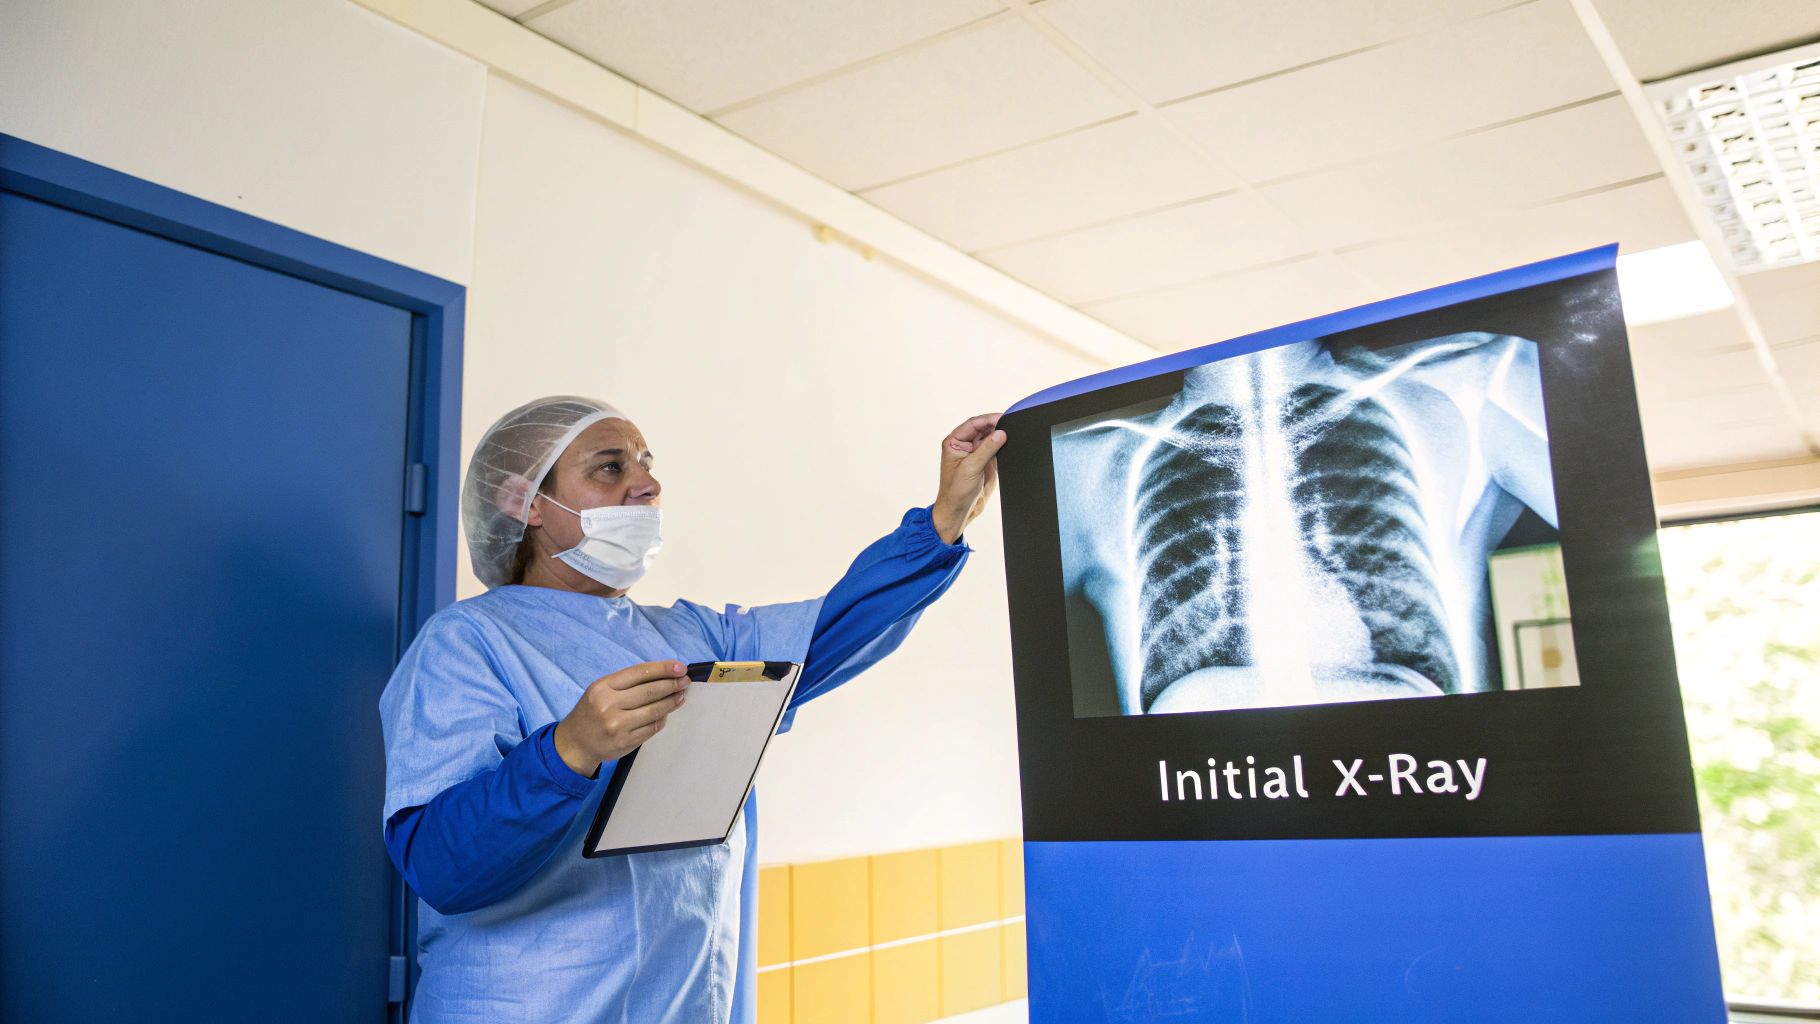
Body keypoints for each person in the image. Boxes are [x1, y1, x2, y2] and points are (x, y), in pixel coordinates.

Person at [379, 395, 1006, 1022]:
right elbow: (440, 866)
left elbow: (834, 626)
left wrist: (946, 517)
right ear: (526, 503)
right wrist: (569, 751)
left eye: (646, 466)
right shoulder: (466, 643)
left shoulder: (692, 640)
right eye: (610, 467)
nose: (647, 485)